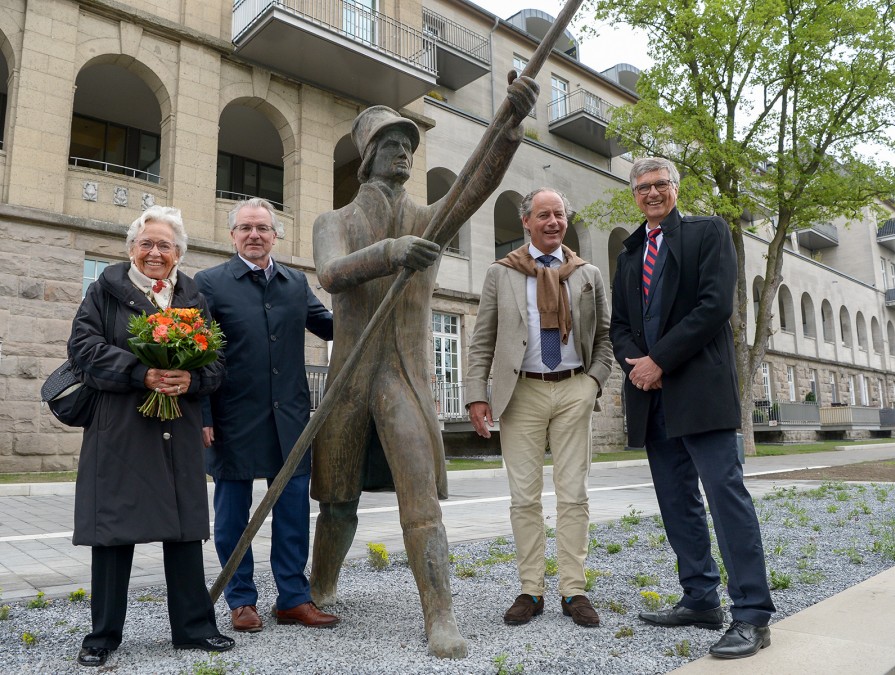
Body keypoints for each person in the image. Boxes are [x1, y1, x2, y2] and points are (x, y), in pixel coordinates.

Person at [309, 74, 538, 660]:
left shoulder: (429, 220)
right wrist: (389, 253)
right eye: (392, 144)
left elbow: (473, 187)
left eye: (409, 144)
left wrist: (508, 129)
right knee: (336, 500)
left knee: (420, 499)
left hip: (404, 377)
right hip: (350, 377)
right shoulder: (333, 221)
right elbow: (331, 274)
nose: (405, 152)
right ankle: (319, 587)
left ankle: (440, 615)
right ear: (368, 157)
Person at [609, 157, 776, 658]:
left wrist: (658, 359)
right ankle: (700, 598)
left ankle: (752, 614)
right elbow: (619, 325)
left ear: (675, 188)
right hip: (652, 399)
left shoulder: (708, 234)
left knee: (725, 498)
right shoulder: (629, 251)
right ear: (634, 194)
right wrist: (636, 365)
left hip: (700, 392)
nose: (652, 193)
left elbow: (714, 307)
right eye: (643, 187)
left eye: (660, 184)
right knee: (676, 502)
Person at [68, 206, 234, 667]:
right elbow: (83, 349)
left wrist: (190, 381)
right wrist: (141, 372)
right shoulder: (104, 290)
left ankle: (194, 628)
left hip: (176, 424)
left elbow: (216, 361)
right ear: (131, 249)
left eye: (165, 245)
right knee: (114, 532)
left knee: (183, 528)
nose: (155, 252)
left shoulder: (193, 295)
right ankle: (102, 636)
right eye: (147, 244)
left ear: (178, 252)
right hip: (119, 427)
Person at [465, 188, 613, 628]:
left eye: (560, 214)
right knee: (524, 498)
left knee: (574, 494)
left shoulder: (588, 274)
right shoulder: (501, 273)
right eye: (544, 215)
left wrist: (593, 383)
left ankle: (574, 590)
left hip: (573, 390)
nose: (553, 221)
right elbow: (482, 339)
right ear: (526, 221)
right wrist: (477, 393)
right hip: (521, 394)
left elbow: (605, 337)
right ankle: (531, 589)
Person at [194, 198, 335, 634]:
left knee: (293, 512)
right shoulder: (209, 283)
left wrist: (369, 304)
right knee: (234, 515)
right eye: (246, 228)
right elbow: (199, 355)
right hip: (232, 418)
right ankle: (241, 600)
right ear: (233, 235)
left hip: (290, 418)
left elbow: (330, 324)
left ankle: (292, 598)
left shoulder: (295, 282)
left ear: (276, 235)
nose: (255, 235)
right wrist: (202, 414)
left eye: (263, 228)